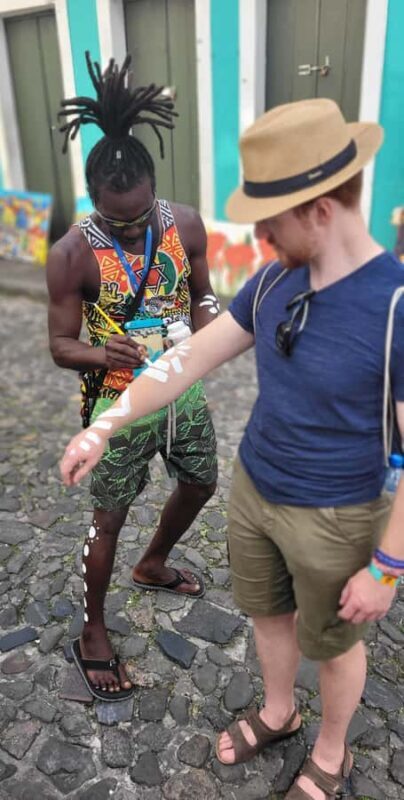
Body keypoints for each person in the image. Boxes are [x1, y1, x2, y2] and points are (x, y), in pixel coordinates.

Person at [60, 97, 404, 798]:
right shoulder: (276, 279)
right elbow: (186, 361)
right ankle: (279, 712)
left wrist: (388, 568)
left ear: (317, 209)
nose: (260, 236)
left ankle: (332, 753)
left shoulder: (395, 305)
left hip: (336, 515)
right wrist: (105, 423)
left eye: (268, 219)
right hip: (256, 493)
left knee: (334, 645)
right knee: (267, 614)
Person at [47, 53, 218, 701]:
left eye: (143, 215)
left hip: (183, 391)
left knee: (201, 481)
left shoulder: (187, 223)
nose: (136, 228)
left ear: (155, 189)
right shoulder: (70, 252)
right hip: (115, 409)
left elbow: (205, 295)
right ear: (95, 203)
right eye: (120, 221)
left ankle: (152, 564)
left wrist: (205, 324)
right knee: (106, 519)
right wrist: (103, 355)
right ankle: (93, 627)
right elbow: (62, 345)